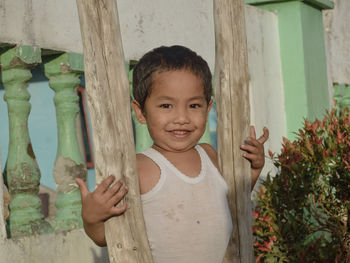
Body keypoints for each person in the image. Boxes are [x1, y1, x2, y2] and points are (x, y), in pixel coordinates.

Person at [75, 45, 269, 263]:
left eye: (194, 105)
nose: (182, 118)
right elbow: (107, 237)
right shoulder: (139, 168)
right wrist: (92, 217)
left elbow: (228, 202)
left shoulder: (209, 156)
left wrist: (252, 170)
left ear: (208, 108)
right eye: (166, 105)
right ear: (140, 112)